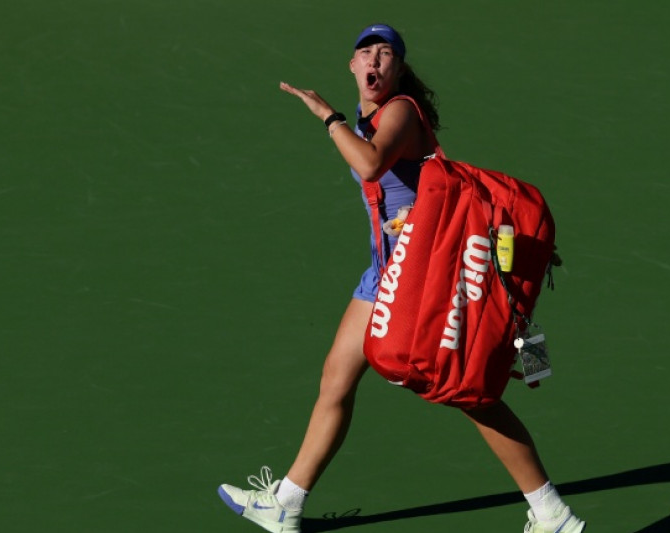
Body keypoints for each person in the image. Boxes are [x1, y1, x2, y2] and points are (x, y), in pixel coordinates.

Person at [217, 23, 586, 533]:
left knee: (466, 392)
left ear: (399, 69)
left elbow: (371, 166)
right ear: (352, 65)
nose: (374, 59)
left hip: (424, 276)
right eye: (366, 51)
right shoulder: (371, 115)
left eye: (386, 53)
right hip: (383, 271)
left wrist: (328, 117)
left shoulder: (399, 111)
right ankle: (286, 503)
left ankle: (551, 512)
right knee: (335, 379)